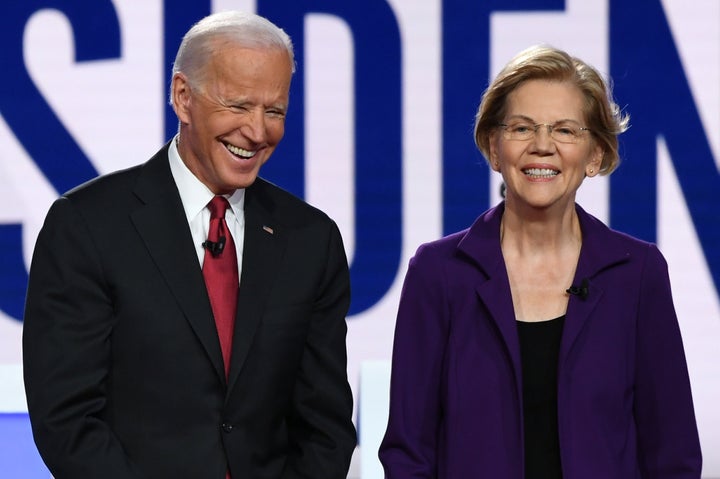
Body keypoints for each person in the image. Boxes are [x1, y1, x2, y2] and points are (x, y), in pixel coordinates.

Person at [23, 10, 356, 479]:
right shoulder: (87, 226)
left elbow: (325, 426)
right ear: (183, 97)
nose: (258, 132)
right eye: (238, 106)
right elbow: (67, 418)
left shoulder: (310, 240)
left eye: (274, 110)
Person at [379, 45, 701, 478]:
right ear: (494, 148)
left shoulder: (638, 274)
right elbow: (408, 454)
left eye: (566, 131)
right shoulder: (437, 274)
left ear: (595, 155)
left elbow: (673, 454)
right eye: (522, 128)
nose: (542, 146)